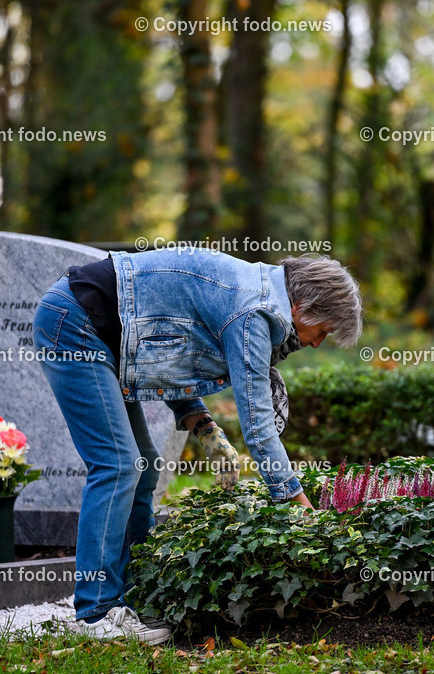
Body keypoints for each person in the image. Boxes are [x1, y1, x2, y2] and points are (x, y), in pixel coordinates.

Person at [33, 249, 362, 644]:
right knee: (118, 464)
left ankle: (136, 596)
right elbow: (258, 426)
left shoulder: (253, 293)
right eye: (323, 331)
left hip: (102, 330)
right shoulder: (254, 312)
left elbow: (168, 349)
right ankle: (95, 614)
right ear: (302, 306)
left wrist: (204, 426)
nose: (317, 344)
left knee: (143, 467)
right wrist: (298, 505)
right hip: (77, 324)